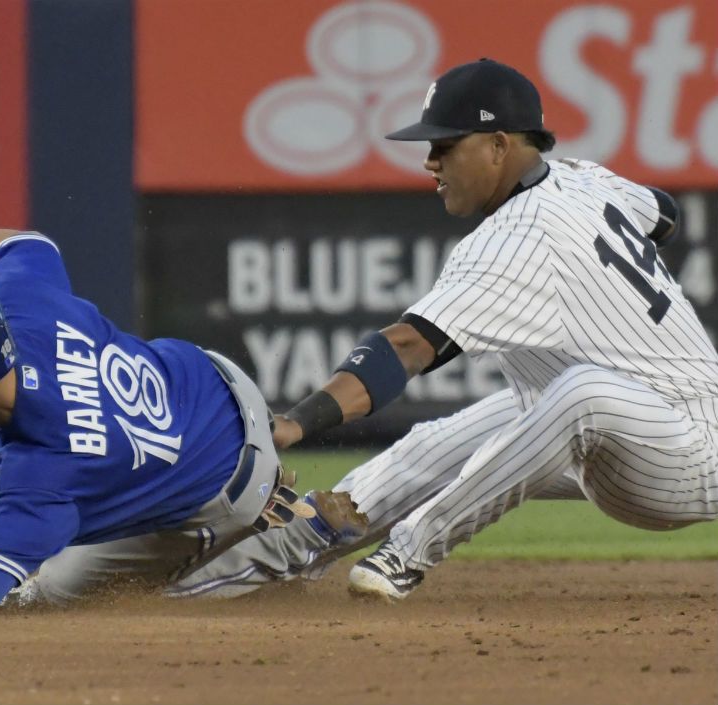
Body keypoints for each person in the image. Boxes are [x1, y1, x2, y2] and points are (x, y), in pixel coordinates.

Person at [166, 58, 718, 601]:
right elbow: (663, 214)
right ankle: (253, 563)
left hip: (687, 453)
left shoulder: (519, 237)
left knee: (581, 393)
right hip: (635, 425)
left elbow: (404, 348)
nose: (430, 163)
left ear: (498, 146)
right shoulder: (584, 176)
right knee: (433, 447)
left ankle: (409, 553)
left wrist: (295, 423)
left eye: (445, 146)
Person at [0, 228, 368, 616]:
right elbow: (22, 242)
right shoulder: (27, 308)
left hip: (230, 485)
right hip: (220, 383)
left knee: (46, 600)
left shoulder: (44, 474)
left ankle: (295, 533)